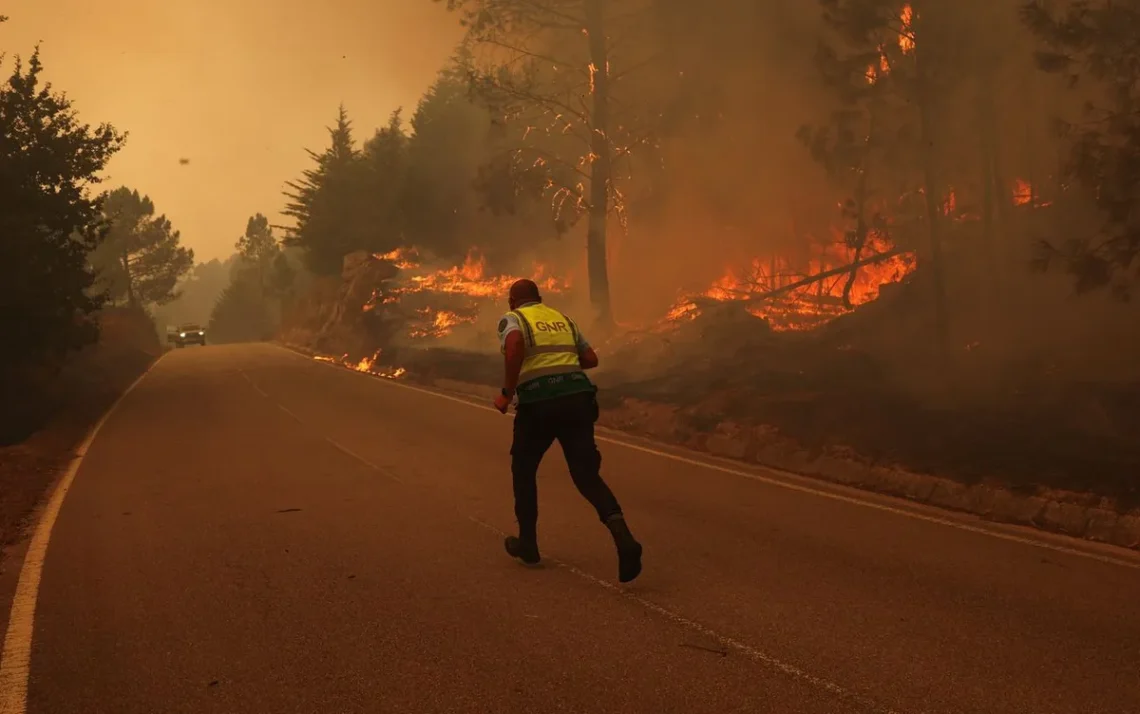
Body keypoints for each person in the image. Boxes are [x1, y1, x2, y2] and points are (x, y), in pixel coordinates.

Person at [492, 278, 643, 583]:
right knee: (586, 476)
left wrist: (507, 392)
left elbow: (515, 346)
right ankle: (624, 537)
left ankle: (529, 544)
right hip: (578, 400)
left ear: (512, 302)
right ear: (541, 298)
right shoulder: (563, 319)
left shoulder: (514, 319)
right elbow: (590, 358)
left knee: (523, 468)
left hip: (539, 403)